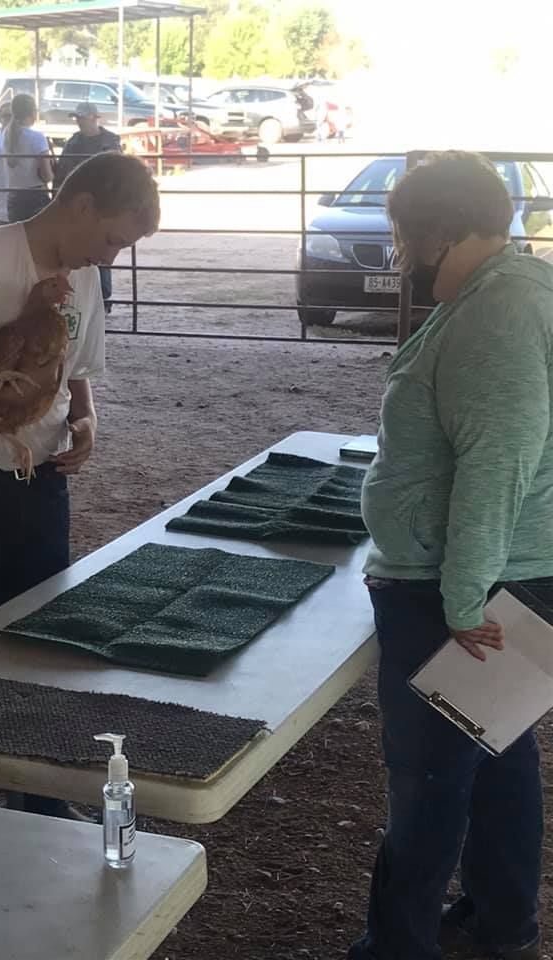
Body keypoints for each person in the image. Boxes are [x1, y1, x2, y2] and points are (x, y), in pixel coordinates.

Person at [0, 152, 160, 814]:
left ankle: (38, 795)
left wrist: (85, 416)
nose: (111, 256)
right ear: (81, 206)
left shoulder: (86, 276)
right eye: (110, 238)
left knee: (43, 644)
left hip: (38, 483)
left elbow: (75, 366)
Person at [349, 151, 553, 960]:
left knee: (430, 780)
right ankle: (504, 923)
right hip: (506, 572)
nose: (399, 255)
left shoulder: (496, 312)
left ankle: (397, 947)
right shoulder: (504, 291)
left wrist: (465, 603)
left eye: (402, 236)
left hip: (466, 588)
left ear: (439, 230)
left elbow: (497, 458)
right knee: (497, 751)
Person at [54, 103, 122, 314]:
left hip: (103, 204)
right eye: (77, 118)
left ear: (95, 117)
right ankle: (83, 297)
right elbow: (61, 172)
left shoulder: (110, 141)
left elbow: (120, 173)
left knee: (102, 250)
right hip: (78, 206)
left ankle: (103, 298)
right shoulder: (74, 142)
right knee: (80, 250)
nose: (79, 121)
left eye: (82, 118)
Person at [4, 93, 53, 223]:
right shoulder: (37, 137)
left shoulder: (7, 135)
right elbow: (47, 175)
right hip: (35, 197)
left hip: (13, 197)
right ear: (32, 112)